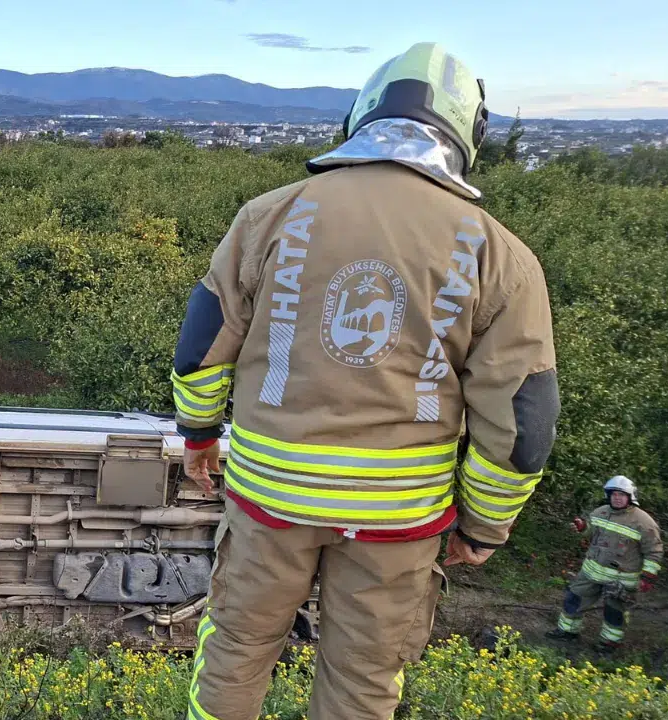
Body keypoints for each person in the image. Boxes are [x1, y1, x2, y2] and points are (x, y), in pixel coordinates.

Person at [172, 42, 561, 720]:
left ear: (361, 115)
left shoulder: (270, 215)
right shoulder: (500, 255)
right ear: (469, 135)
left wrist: (200, 435)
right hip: (398, 522)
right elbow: (523, 423)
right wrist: (484, 525)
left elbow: (201, 351)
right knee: (364, 684)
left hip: (271, 500)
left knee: (235, 654)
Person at [546, 475, 663, 652]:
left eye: (621, 494)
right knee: (574, 600)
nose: (617, 497)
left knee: (614, 612)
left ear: (630, 497)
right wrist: (582, 527)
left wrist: (648, 576)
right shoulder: (601, 512)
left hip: (620, 579)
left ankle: (609, 643)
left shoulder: (644, 522)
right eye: (613, 494)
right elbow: (591, 531)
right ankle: (568, 632)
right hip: (591, 572)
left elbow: (654, 551)